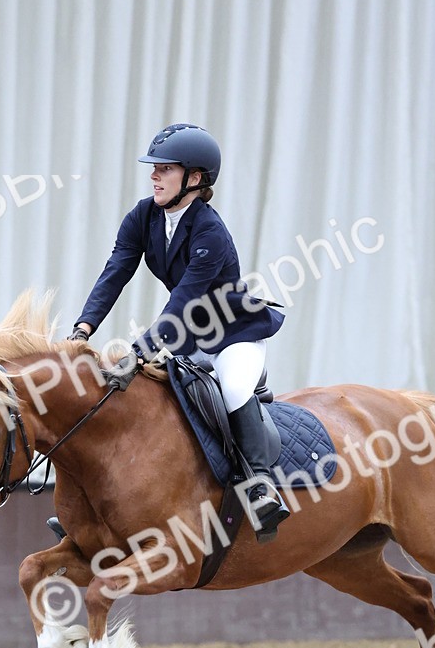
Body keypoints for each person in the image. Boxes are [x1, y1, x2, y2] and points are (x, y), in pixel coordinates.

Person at [69, 123, 289, 538]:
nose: (153, 175)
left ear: (195, 178)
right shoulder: (143, 216)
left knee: (235, 388)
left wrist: (139, 350)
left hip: (233, 336)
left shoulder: (211, 232)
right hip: (188, 336)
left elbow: (184, 299)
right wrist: (83, 328)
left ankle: (261, 486)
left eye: (165, 169)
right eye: (154, 168)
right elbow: (115, 271)